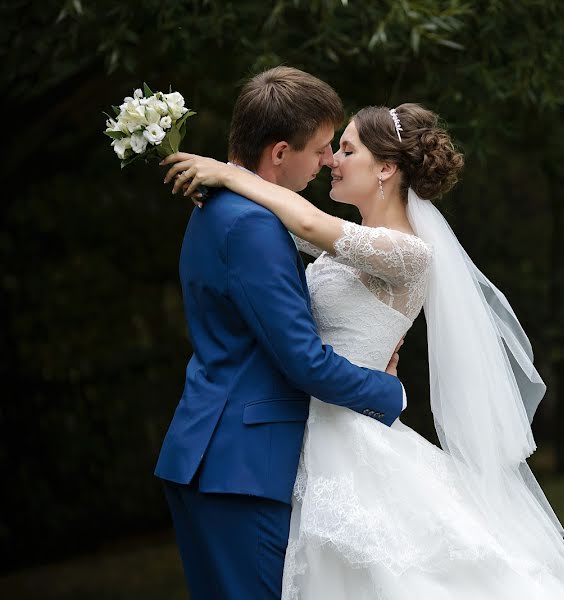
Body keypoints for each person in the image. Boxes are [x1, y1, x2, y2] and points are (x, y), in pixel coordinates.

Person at [162, 102, 564, 599]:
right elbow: (281, 228)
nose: (332, 161)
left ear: (387, 169)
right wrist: (224, 183)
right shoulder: (349, 244)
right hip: (310, 429)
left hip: (352, 430)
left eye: (346, 150)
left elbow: (305, 223)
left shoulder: (406, 251)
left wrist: (227, 172)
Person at [154, 67, 407, 600]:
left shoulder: (219, 206)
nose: (326, 162)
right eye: (318, 149)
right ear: (279, 153)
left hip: (215, 456)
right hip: (240, 467)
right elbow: (304, 361)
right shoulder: (251, 225)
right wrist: (390, 391)